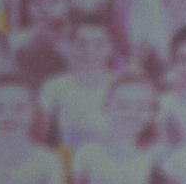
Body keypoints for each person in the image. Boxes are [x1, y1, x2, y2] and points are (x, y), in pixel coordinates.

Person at [38, 18, 124, 150]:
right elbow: (40, 134)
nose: (89, 51)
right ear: (70, 46)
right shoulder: (54, 86)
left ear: (110, 48)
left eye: (99, 44)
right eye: (82, 44)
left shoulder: (122, 83)